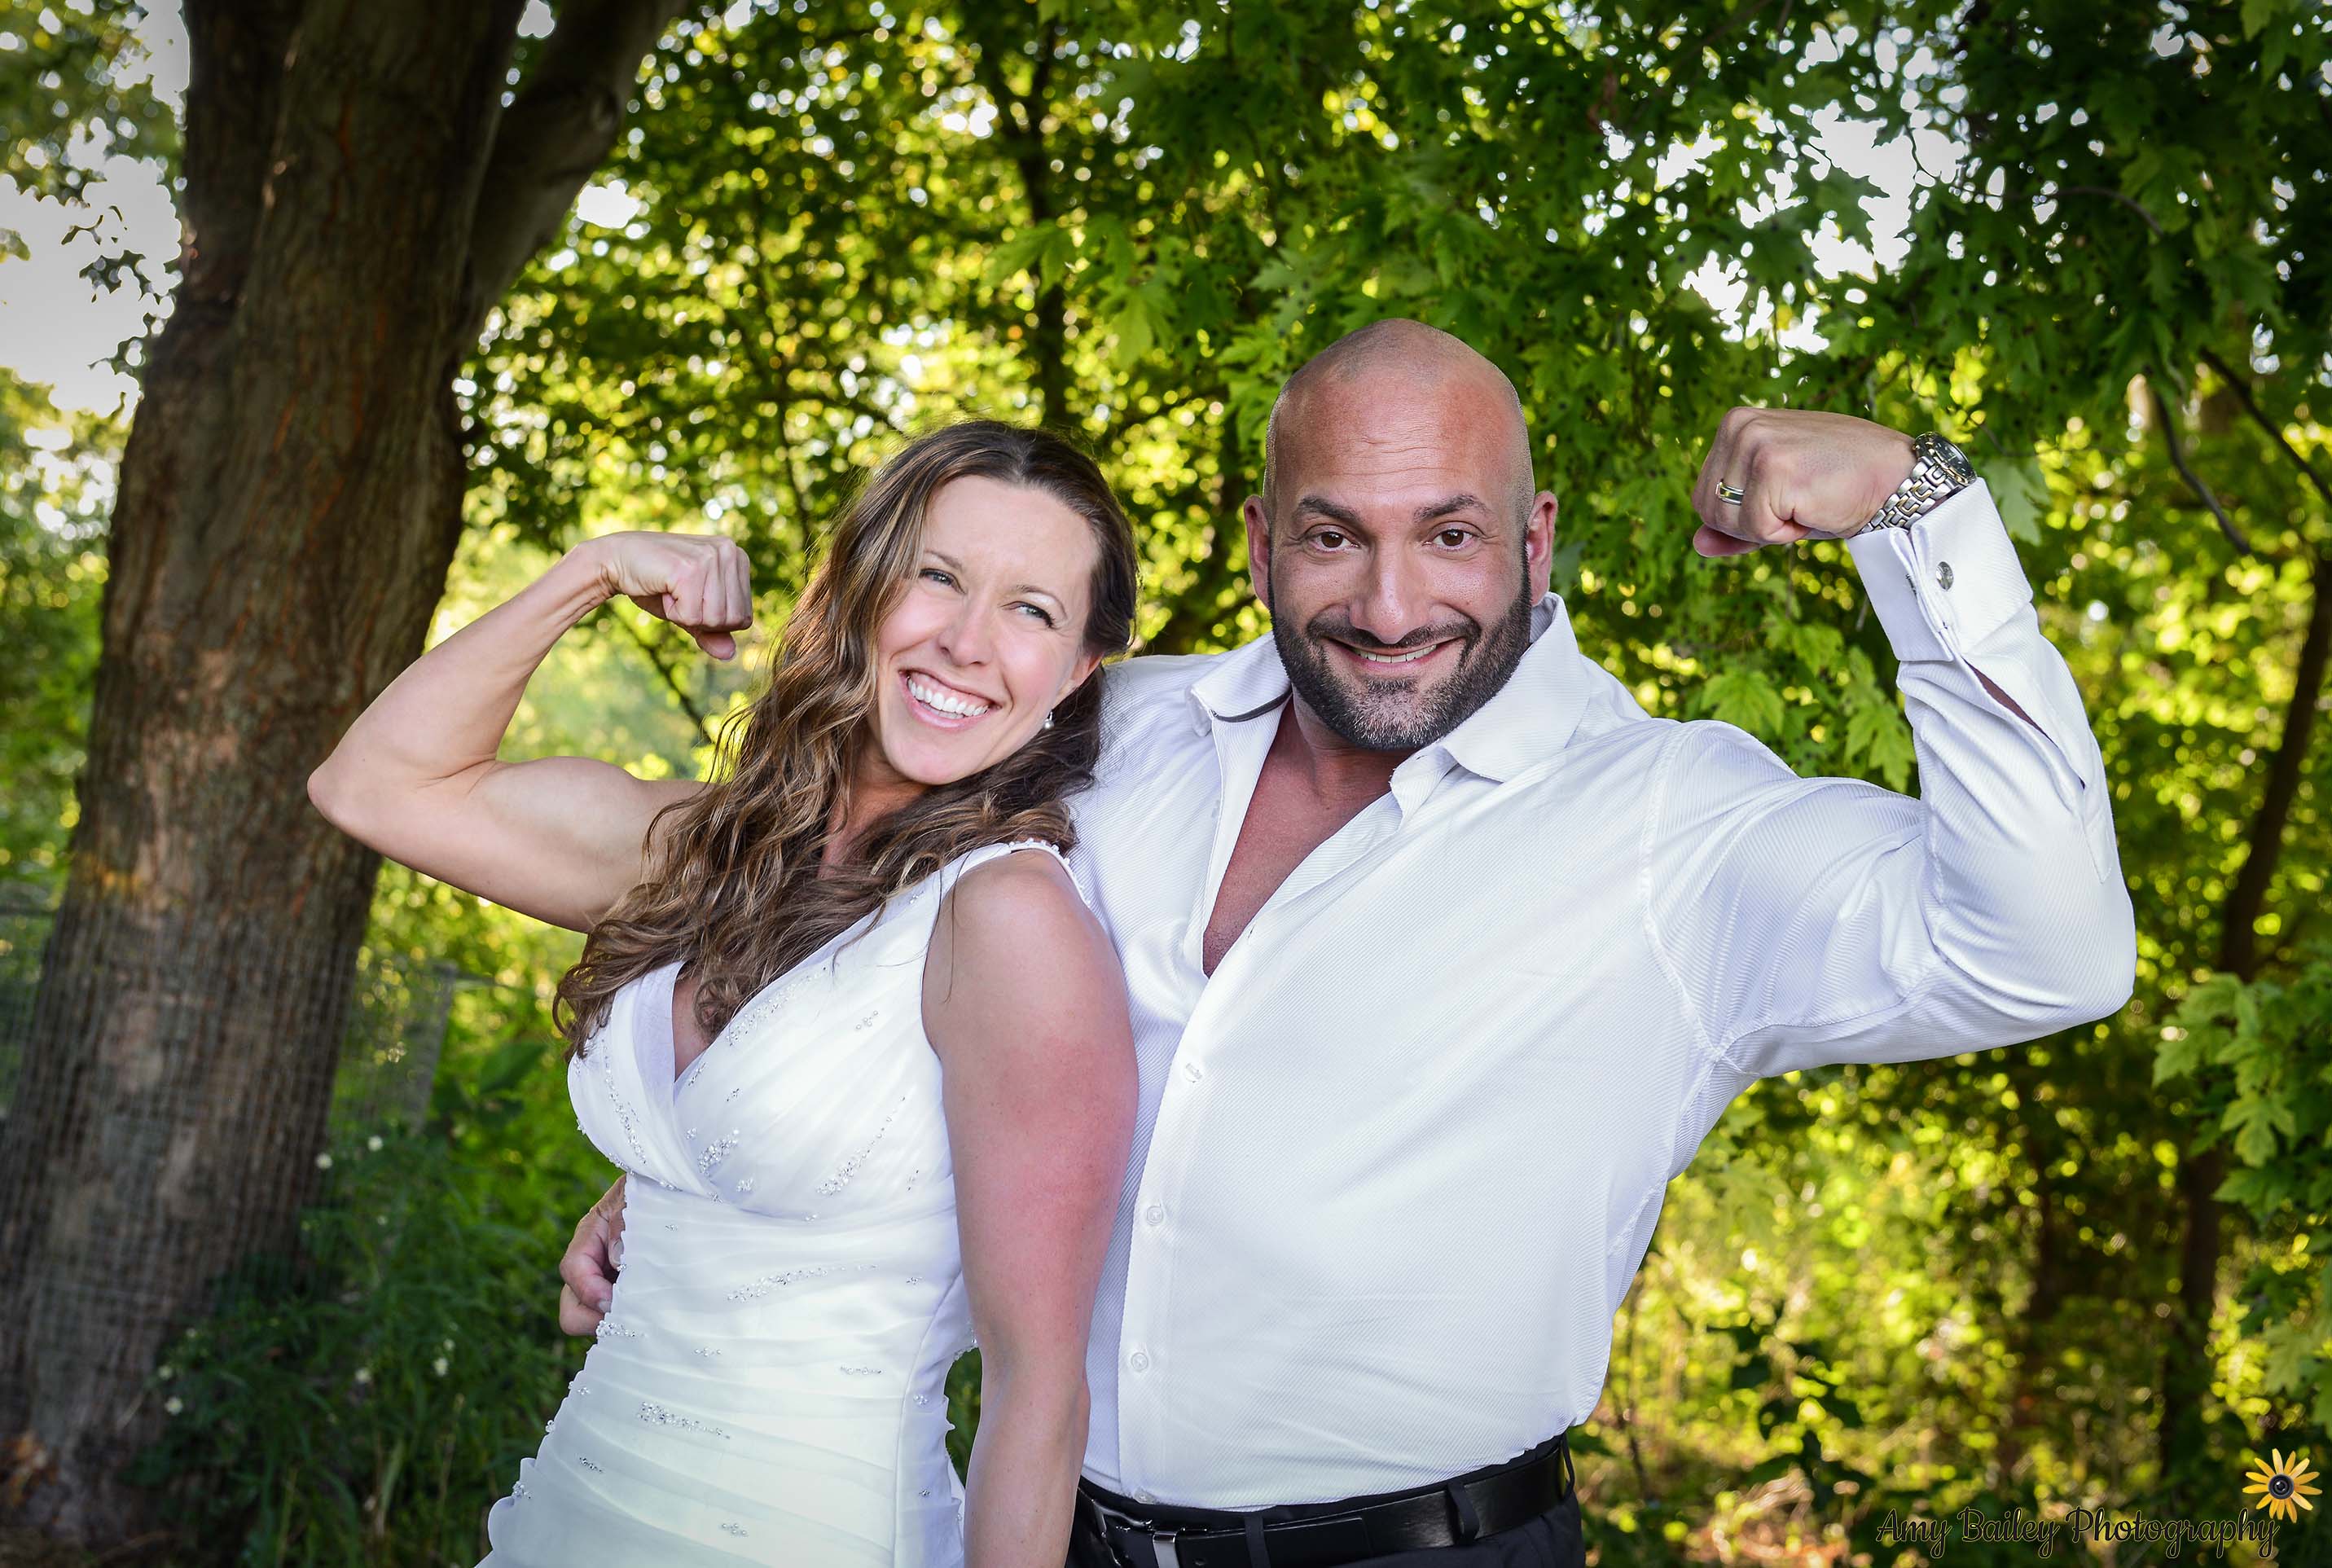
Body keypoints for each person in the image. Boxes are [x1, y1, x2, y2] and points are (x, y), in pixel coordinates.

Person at [561, 319, 2138, 1567]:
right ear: (1259, 543)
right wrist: (721, 1176)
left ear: (1535, 539)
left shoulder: (1679, 827)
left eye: (1448, 535)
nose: (1389, 605)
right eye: (1333, 537)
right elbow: (863, 924)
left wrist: (1922, 511)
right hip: (1049, 1530)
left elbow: (2047, 956)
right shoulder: (1111, 728)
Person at [307, 420, 1142, 1566]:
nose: (965, 641)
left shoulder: (1007, 918)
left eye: (1031, 610)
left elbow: (1037, 1401)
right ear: (859, 588)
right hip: (571, 1511)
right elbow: (373, 785)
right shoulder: (701, 853)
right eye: (937, 577)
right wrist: (593, 569)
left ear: (1077, 673)